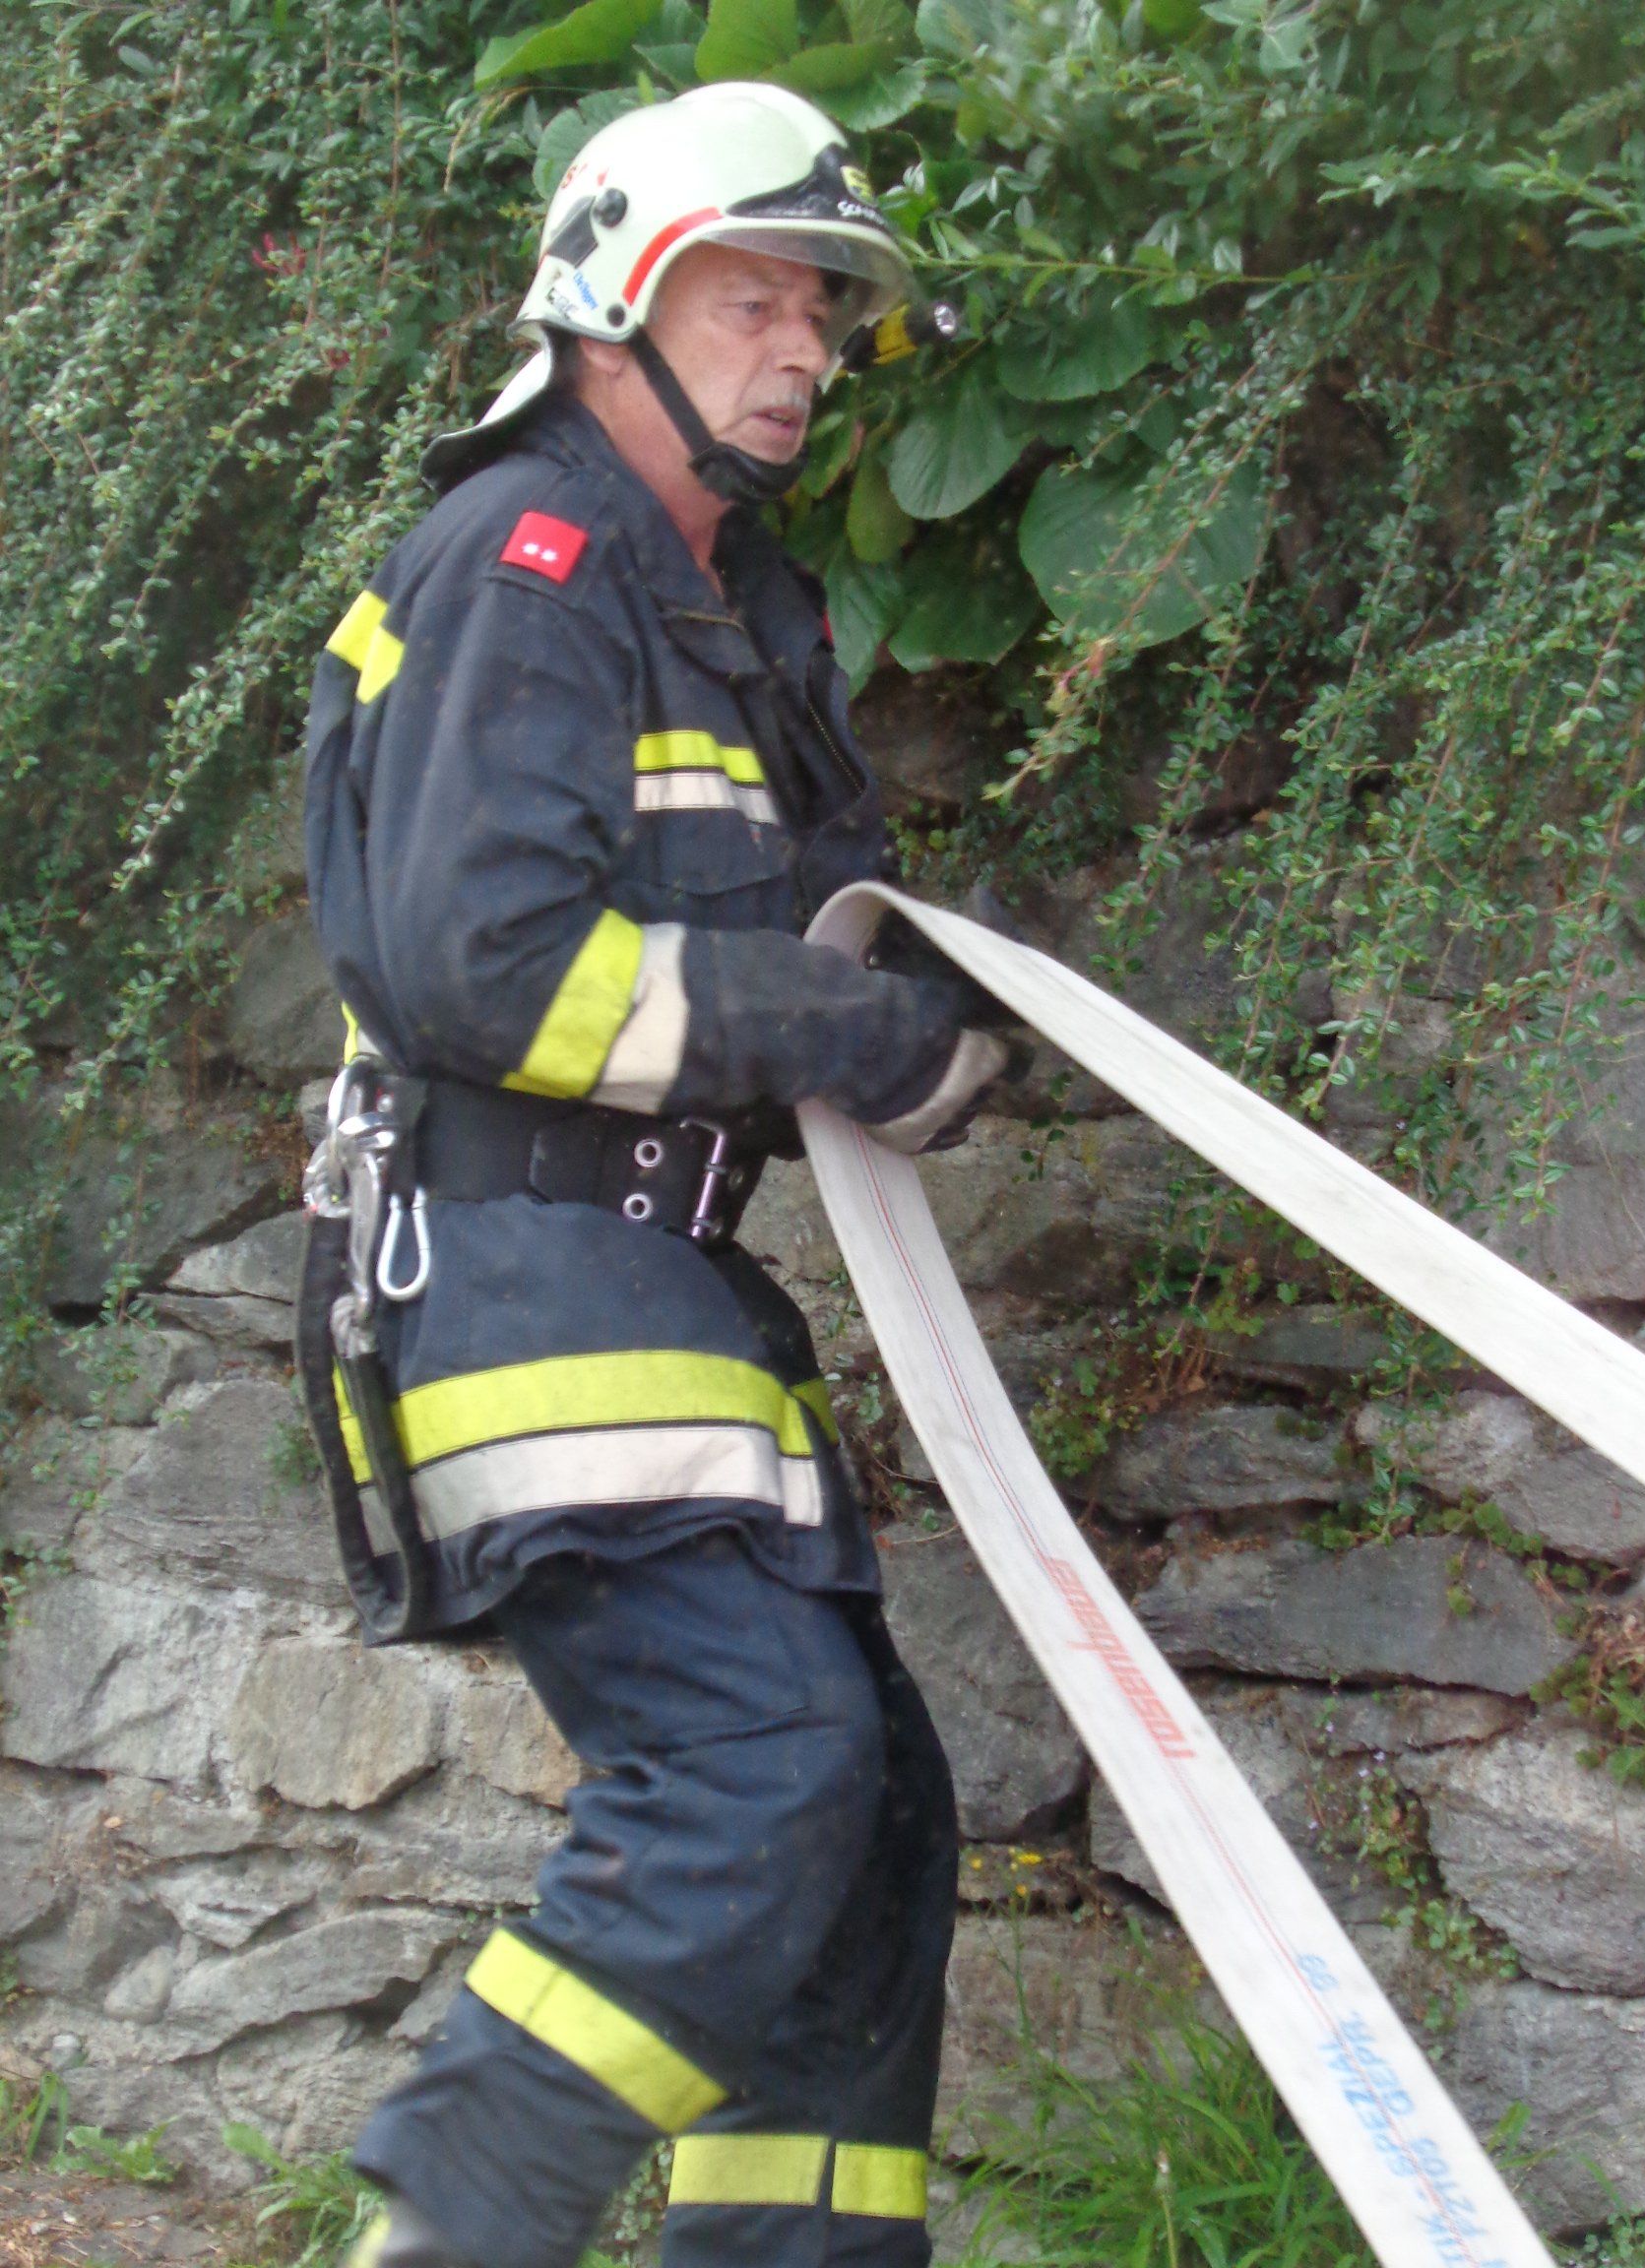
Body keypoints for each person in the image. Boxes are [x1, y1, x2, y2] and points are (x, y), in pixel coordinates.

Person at [300, 81, 1011, 2268]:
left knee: (864, 1824)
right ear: (615, 295)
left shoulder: (728, 601)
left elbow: (787, 935)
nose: (802, 352)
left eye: (823, 314)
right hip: (517, 1271)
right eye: (751, 300)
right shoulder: (530, 559)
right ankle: (451, 2228)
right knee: (754, 1765)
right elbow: (484, 966)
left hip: (649, 1278)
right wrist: (857, 1034)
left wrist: (936, 1011)